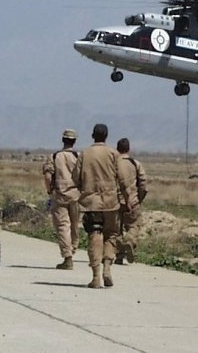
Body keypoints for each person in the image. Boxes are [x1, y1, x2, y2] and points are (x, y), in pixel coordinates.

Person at [72, 123, 126, 288]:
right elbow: (123, 178)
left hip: (92, 203)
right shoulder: (113, 154)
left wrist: (84, 188)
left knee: (95, 235)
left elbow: (75, 177)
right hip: (111, 203)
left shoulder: (85, 154)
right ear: (106, 136)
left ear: (93, 135)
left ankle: (96, 276)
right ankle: (107, 268)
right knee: (111, 235)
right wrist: (127, 198)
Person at [42, 129, 81, 270]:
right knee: (75, 225)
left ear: (63, 140)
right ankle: (73, 248)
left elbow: (48, 176)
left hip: (59, 195)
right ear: (74, 141)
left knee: (63, 226)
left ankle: (68, 256)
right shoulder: (79, 157)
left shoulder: (54, 156)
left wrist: (49, 191)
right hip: (76, 195)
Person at [115, 137, 147, 265]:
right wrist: (139, 198)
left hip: (115, 202)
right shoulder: (135, 164)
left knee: (116, 230)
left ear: (117, 149)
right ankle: (129, 240)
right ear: (128, 149)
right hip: (132, 201)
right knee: (133, 225)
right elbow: (143, 183)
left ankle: (118, 255)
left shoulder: (112, 163)